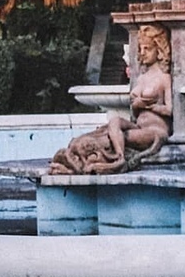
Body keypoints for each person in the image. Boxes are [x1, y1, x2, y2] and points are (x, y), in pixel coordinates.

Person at [48, 24, 172, 175]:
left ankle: (117, 159)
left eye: (147, 49)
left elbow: (170, 110)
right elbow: (134, 110)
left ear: (159, 51)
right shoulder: (141, 78)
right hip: (138, 126)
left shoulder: (164, 78)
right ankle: (105, 155)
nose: (142, 53)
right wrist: (137, 106)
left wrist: (149, 107)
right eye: (141, 48)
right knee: (114, 122)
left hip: (155, 131)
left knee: (115, 139)